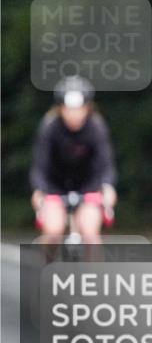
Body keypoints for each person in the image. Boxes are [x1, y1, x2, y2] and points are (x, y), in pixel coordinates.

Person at [31, 75, 117, 248]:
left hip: (88, 187)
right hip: (54, 187)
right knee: (53, 232)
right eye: (69, 109)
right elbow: (40, 166)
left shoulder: (96, 127)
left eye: (79, 109)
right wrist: (40, 190)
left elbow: (106, 164)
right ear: (60, 108)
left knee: (90, 235)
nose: (74, 115)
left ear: (87, 108)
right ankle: (48, 269)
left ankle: (94, 274)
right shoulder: (50, 127)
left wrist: (107, 187)